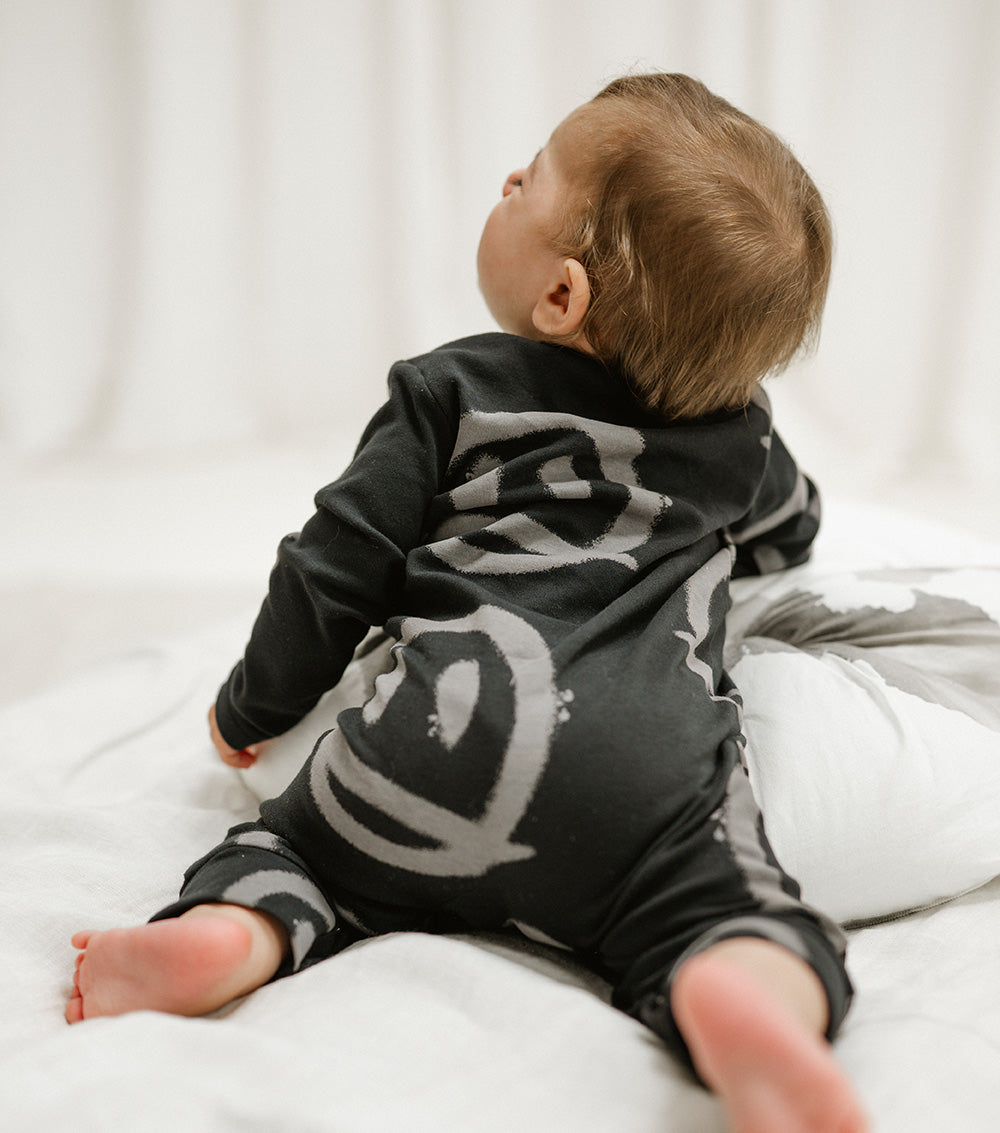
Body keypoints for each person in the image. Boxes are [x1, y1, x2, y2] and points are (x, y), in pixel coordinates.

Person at [67, 74, 867, 1132]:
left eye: (529, 179)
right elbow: (794, 528)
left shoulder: (448, 395)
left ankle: (232, 932)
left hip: (423, 753)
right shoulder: (742, 435)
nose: (507, 178)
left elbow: (331, 568)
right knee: (730, 909)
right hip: (637, 784)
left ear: (562, 299)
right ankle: (741, 996)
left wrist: (249, 704)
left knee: (294, 852)